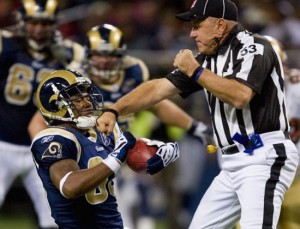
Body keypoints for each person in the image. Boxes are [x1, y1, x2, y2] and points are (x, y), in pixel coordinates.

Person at [96, 0, 300, 228]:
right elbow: (157, 89)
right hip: (232, 163)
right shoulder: (209, 59)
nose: (192, 33)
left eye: (197, 24)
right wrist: (114, 110)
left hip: (263, 156)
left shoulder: (256, 46)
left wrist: (194, 70)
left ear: (220, 25)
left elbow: (240, 96)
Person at [83, 23, 212, 229]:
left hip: (121, 153)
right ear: (88, 54)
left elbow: (157, 104)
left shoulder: (133, 71)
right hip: (87, 156)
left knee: (136, 205)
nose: (105, 61)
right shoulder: (76, 78)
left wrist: (194, 127)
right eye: (99, 54)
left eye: (111, 54)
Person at [30, 69, 179, 229]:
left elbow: (132, 154)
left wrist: (160, 152)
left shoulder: (100, 130)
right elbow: (70, 186)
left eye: (87, 96)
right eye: (77, 98)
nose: (87, 102)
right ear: (55, 105)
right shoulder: (52, 138)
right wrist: (116, 157)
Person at [0, 0, 84, 228]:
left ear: (54, 24)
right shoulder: (5, 43)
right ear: (22, 22)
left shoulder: (69, 53)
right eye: (33, 22)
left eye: (44, 23)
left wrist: (71, 64)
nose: (38, 29)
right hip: (2, 143)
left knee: (56, 218)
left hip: (42, 146)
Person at [264, 36, 300, 229]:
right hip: (258, 170)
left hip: (295, 170)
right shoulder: (241, 90)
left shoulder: (296, 85)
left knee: (291, 222)